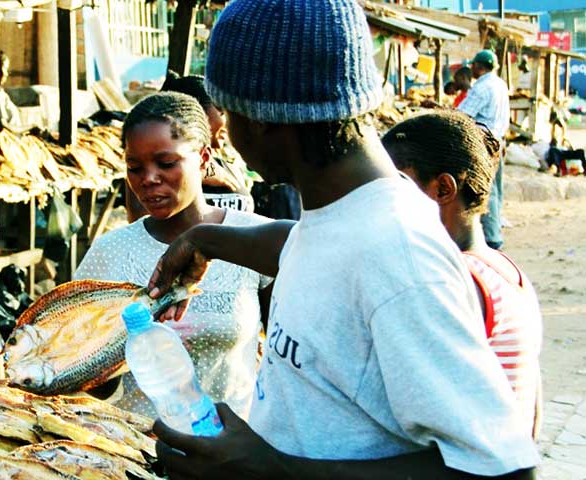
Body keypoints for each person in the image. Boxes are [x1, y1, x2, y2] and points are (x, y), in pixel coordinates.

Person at [145, 1, 538, 478]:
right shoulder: (346, 209)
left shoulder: (398, 254)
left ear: (264, 119)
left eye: (228, 114)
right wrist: (206, 239)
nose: (227, 135)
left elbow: (504, 469)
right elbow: (313, 248)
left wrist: (274, 471)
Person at [74, 91, 273, 419]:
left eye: (166, 163)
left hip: (236, 449)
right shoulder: (110, 254)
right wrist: (114, 346)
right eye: (134, 167)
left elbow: (287, 351)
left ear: (204, 158)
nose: (149, 179)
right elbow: (94, 387)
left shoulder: (251, 240)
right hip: (141, 453)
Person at [382, 110, 543, 438]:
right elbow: (533, 408)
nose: (381, 203)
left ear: (443, 189)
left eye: (394, 187)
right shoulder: (505, 269)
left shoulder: (457, 280)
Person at [125, 71, 255, 222]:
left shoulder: (228, 164)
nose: (225, 121)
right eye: (220, 112)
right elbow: (142, 226)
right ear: (194, 116)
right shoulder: (157, 176)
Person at [457, 50, 510, 250]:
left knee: (482, 189)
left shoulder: (482, 88)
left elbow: (462, 115)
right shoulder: (499, 84)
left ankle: (491, 238)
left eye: (473, 66)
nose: (472, 69)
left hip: (483, 142)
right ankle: (494, 232)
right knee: (495, 189)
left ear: (479, 66)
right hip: (498, 140)